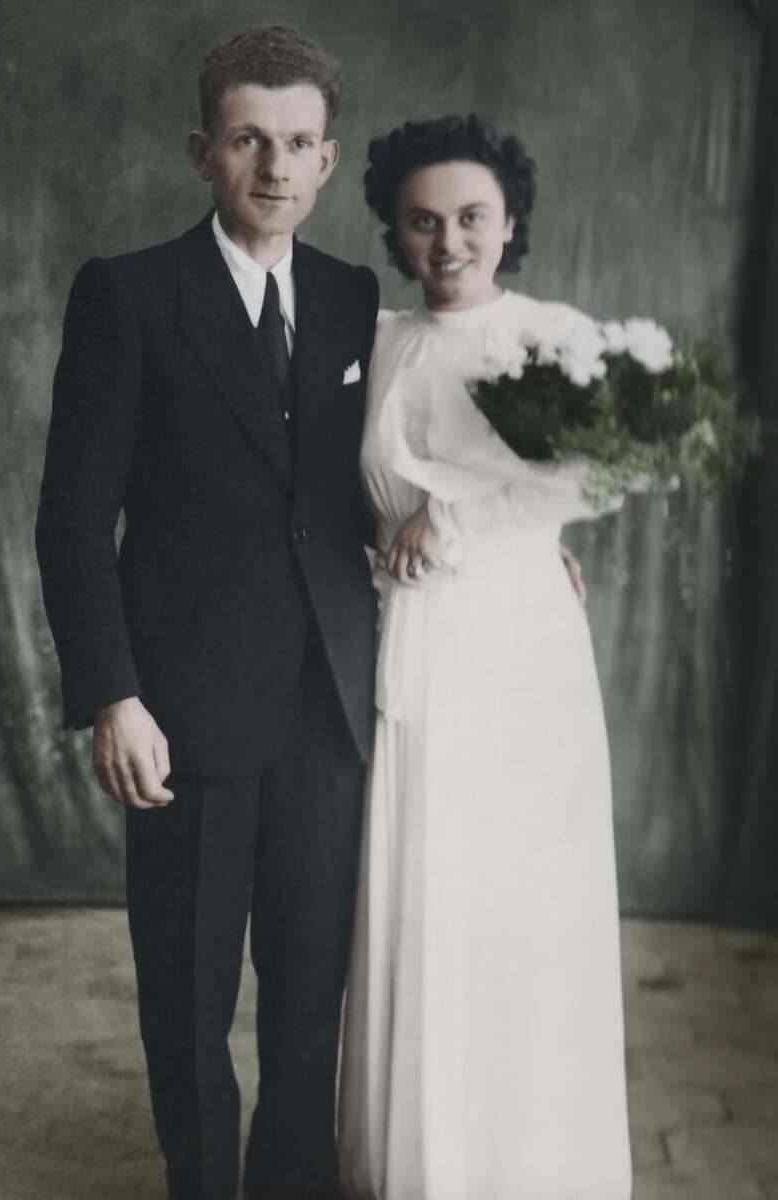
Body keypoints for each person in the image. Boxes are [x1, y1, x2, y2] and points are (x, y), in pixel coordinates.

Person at [35, 25, 381, 1200]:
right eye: (247, 140)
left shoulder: (349, 298)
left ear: (327, 162)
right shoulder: (129, 296)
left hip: (324, 716)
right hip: (180, 715)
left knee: (305, 995)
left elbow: (369, 489)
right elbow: (73, 521)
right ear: (202, 152)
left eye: (295, 144)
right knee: (186, 998)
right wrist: (111, 695)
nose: (272, 168)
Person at [337, 115, 632, 1199]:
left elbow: (591, 475)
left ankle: (526, 1167)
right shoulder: (376, 338)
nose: (447, 243)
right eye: (421, 222)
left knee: (513, 898)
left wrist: (455, 522)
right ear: (392, 231)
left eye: (469, 218)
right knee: (419, 893)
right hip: (405, 637)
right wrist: (397, 540)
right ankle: (418, 1168)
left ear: (508, 224)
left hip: (512, 650)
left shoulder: (549, 334)